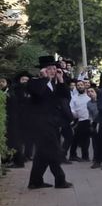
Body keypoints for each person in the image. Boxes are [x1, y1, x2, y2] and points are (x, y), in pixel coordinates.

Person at [26, 56, 73, 189]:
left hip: (53, 123)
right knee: (53, 151)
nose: (53, 71)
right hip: (40, 123)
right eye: (49, 68)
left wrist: (61, 80)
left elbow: (66, 96)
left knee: (43, 153)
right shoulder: (34, 82)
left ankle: (35, 181)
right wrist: (44, 78)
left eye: (54, 68)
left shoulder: (54, 84)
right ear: (42, 70)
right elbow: (38, 93)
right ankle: (60, 180)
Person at [69, 80, 93, 162]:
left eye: (81, 85)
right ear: (76, 87)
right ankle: (74, 155)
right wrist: (75, 116)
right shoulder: (74, 97)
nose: (80, 86)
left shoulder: (89, 96)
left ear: (84, 86)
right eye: (78, 85)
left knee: (85, 139)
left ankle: (84, 156)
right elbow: (71, 108)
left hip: (89, 120)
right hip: (79, 120)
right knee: (77, 138)